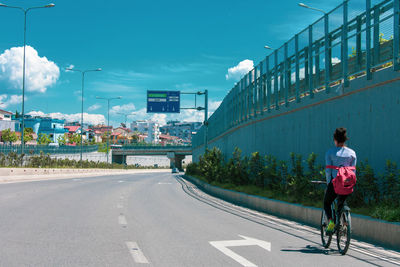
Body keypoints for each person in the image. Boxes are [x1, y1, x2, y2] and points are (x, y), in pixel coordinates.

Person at [324, 127, 357, 233]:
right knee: (341, 202)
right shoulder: (352, 153)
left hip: (335, 183)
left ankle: (331, 222)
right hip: (347, 184)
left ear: (335, 139)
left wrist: (329, 183)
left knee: (327, 202)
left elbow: (328, 171)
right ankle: (344, 221)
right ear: (345, 139)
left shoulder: (330, 153)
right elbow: (353, 171)